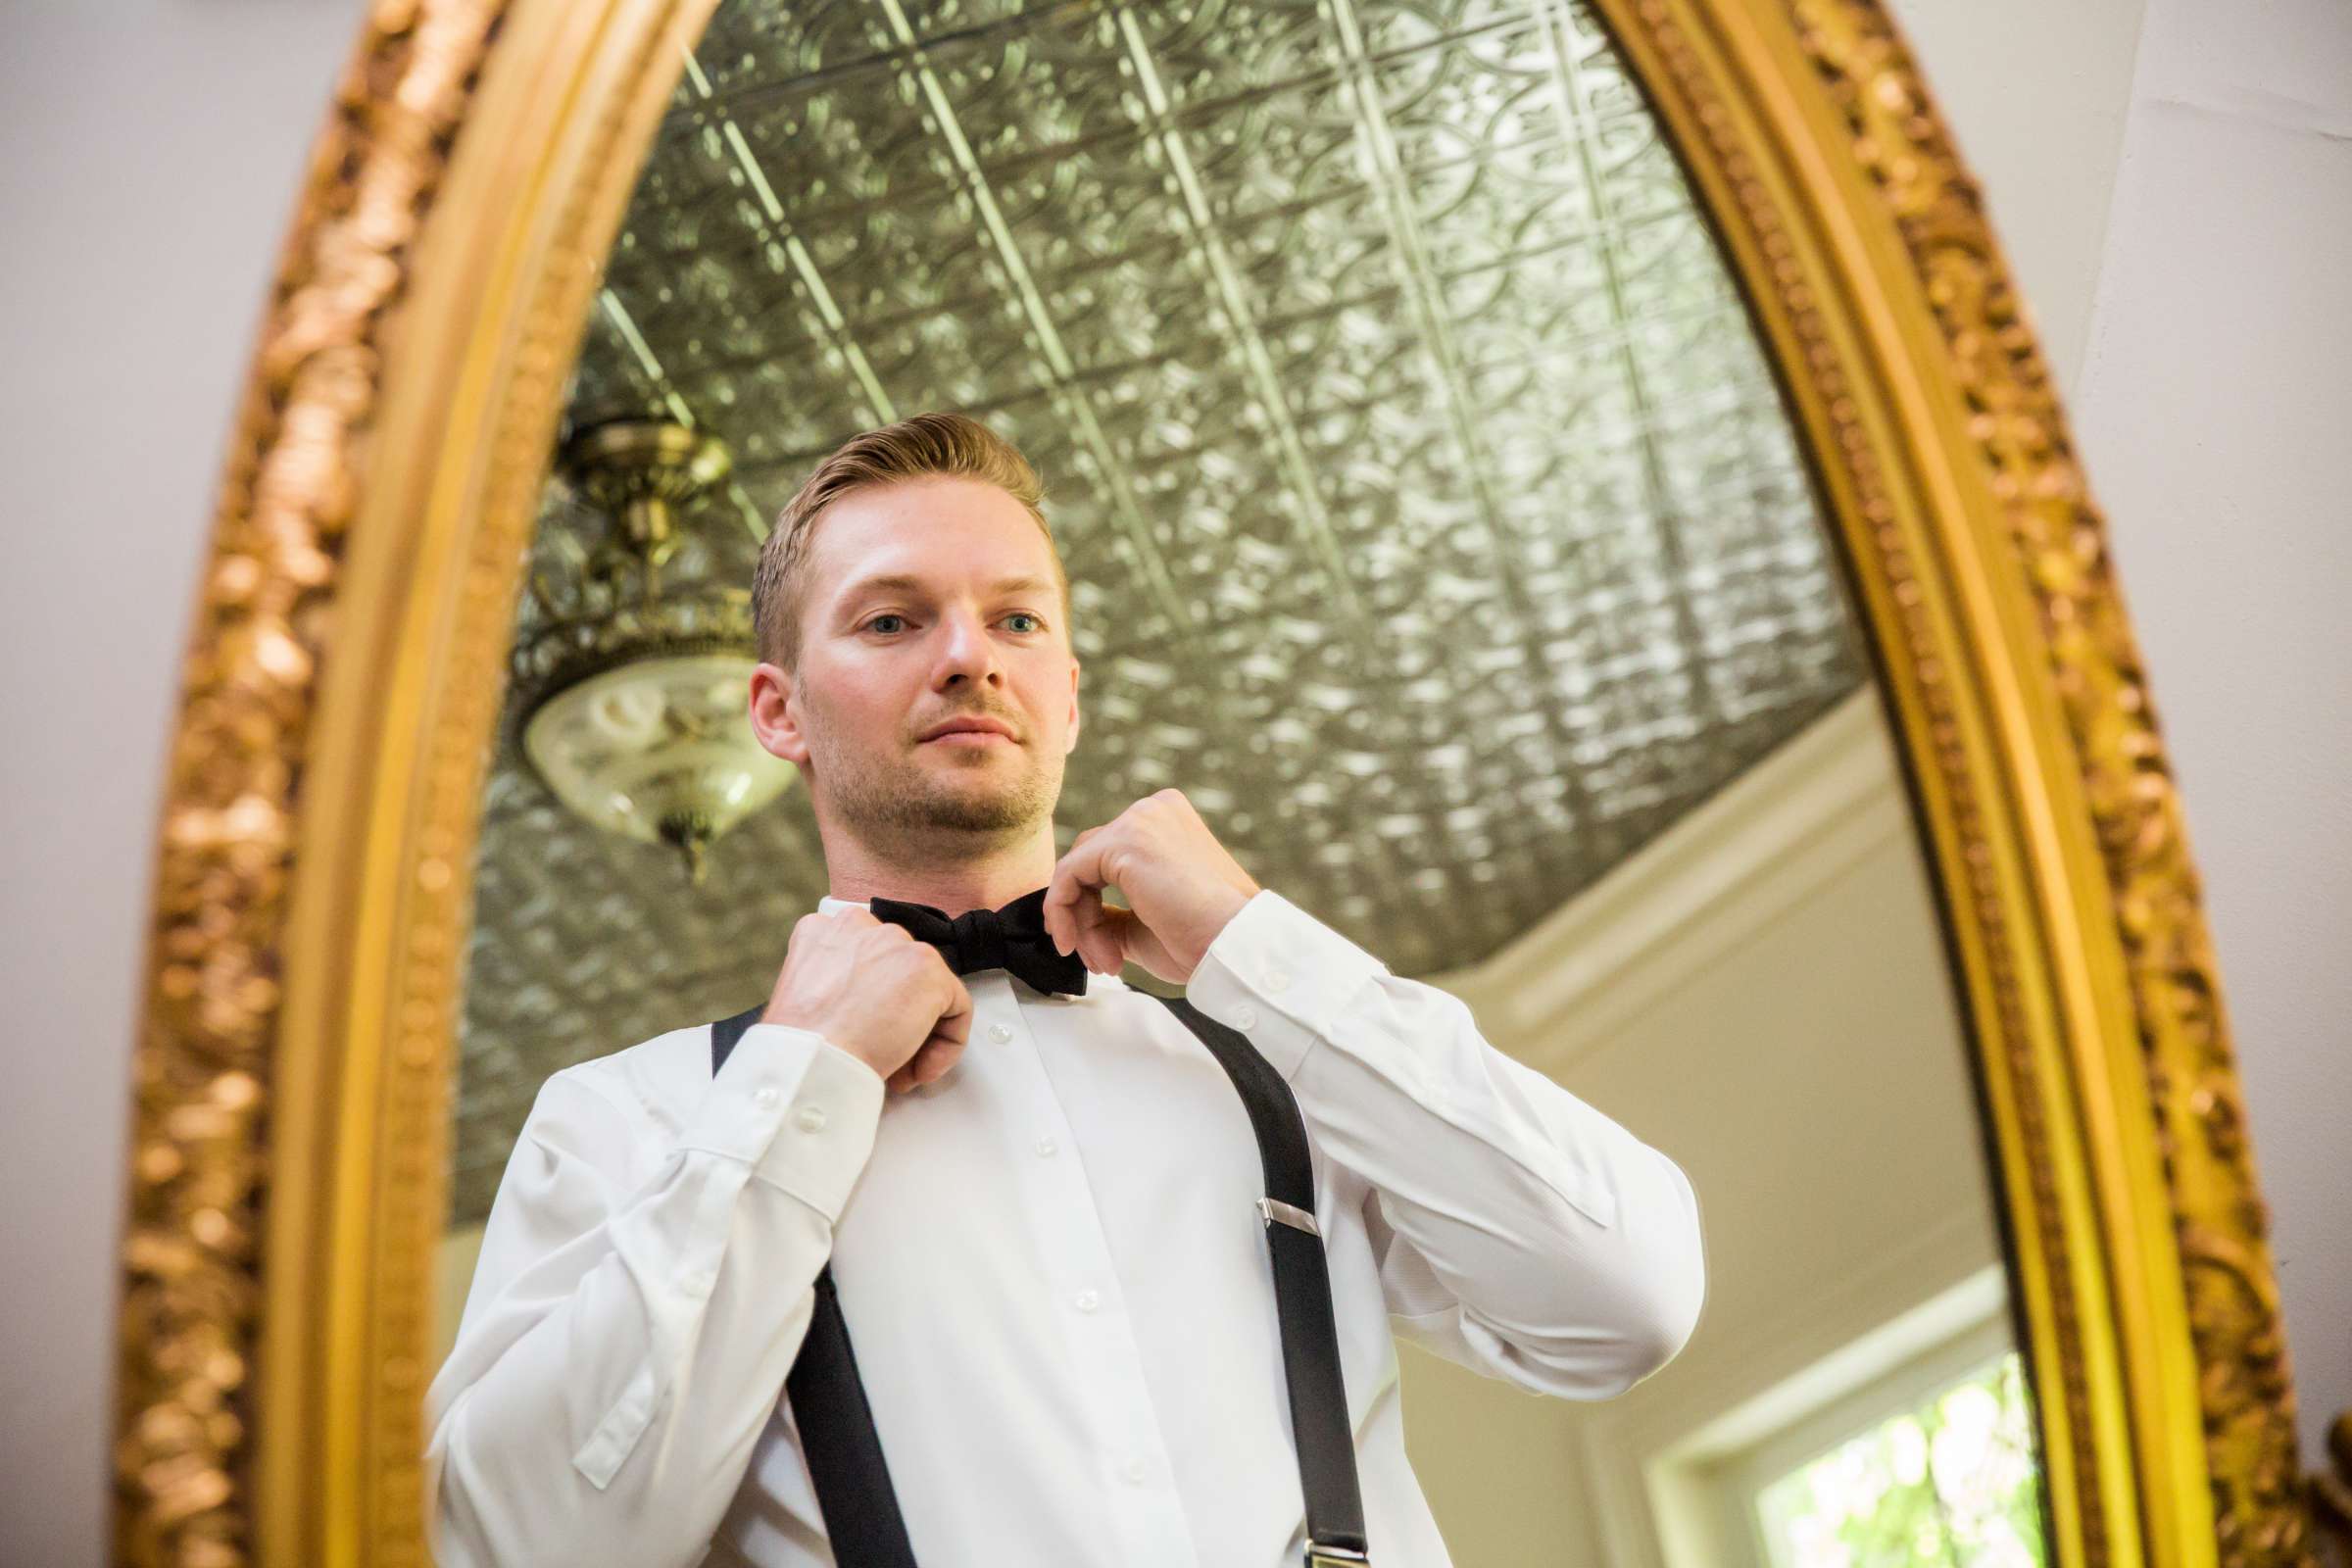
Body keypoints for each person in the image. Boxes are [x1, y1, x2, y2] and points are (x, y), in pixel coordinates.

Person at [423, 412, 1707, 1566]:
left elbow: (1625, 1301)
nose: (969, 656)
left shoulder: (1287, 1079)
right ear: (778, 711)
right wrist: (793, 1089)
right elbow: (503, 1543)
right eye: (892, 619)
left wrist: (1258, 951)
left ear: (1070, 699)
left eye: (1018, 619)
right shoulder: (627, 1121)